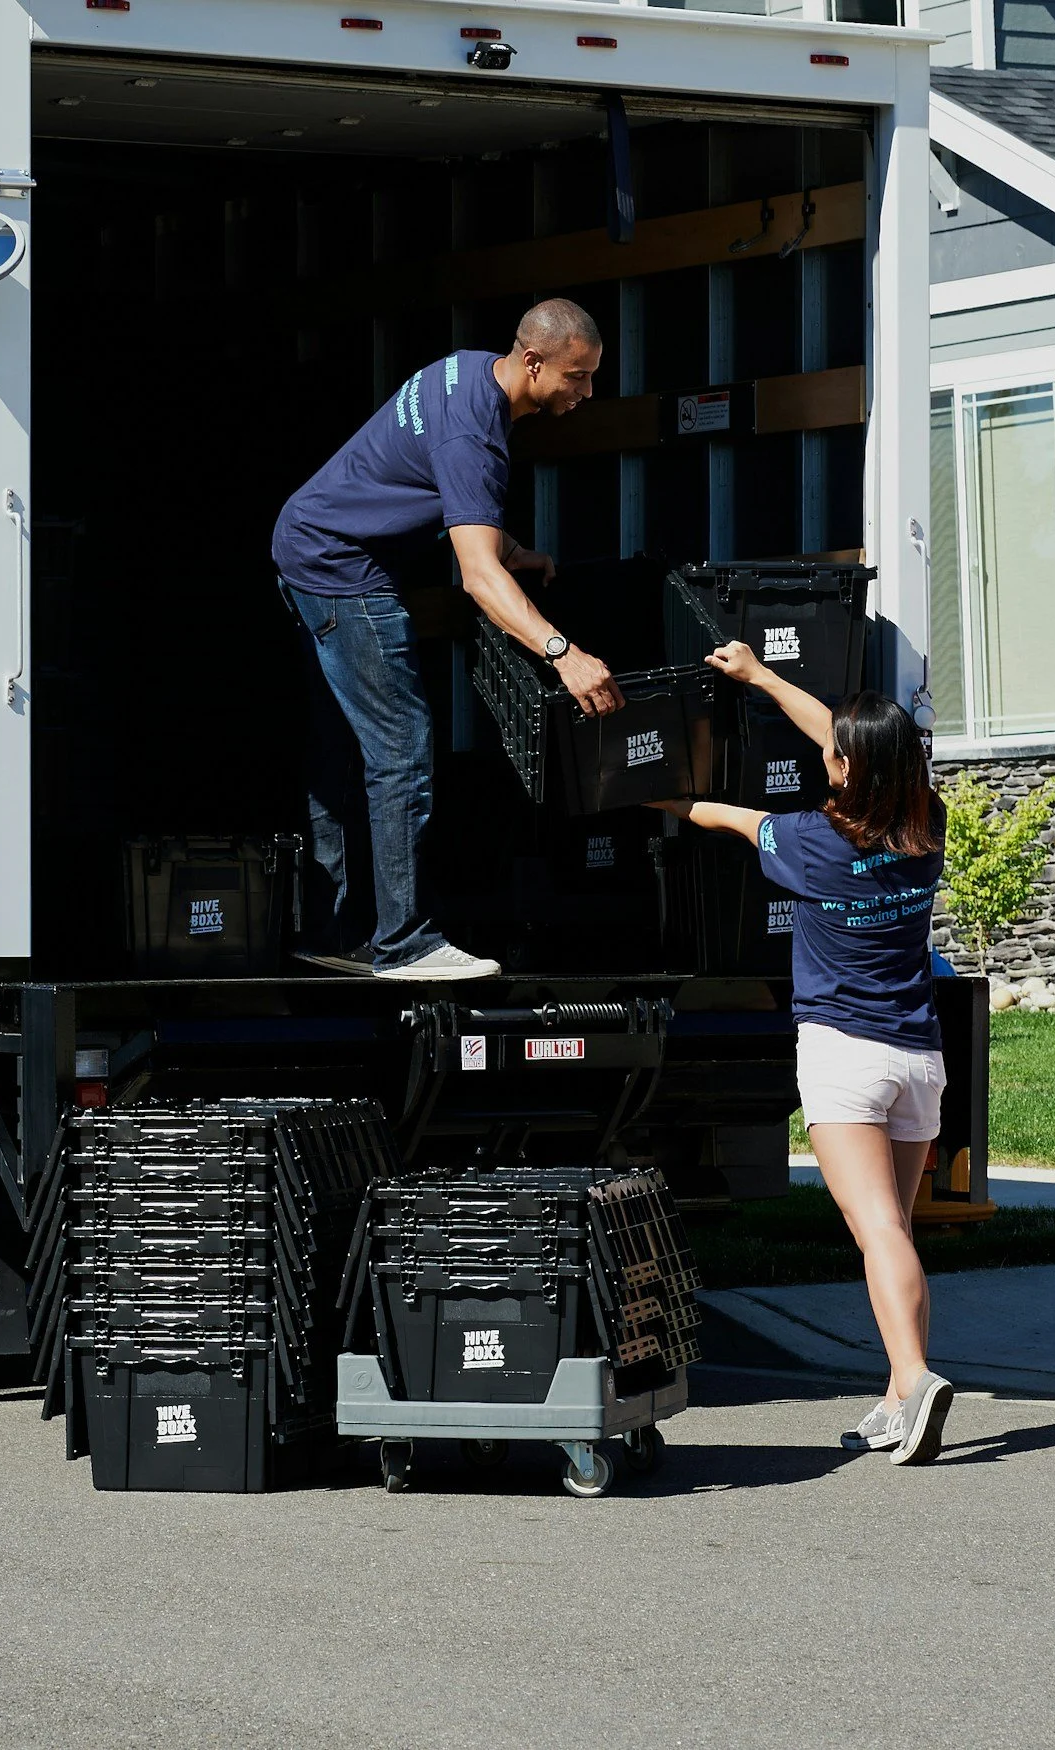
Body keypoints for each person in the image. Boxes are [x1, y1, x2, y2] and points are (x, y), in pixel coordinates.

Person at [654, 644, 954, 1465]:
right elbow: (852, 743)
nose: (825, 754)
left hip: (845, 1058)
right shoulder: (927, 822)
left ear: (847, 768)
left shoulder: (811, 842)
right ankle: (898, 1402)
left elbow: (731, 817)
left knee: (879, 1230)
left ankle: (917, 1376)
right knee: (891, 1233)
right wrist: (761, 677)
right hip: (918, 1060)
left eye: (834, 754)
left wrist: (671, 799)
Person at [271, 300, 624, 981]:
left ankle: (335, 933)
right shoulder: (476, 438)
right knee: (401, 748)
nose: (586, 392)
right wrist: (565, 655)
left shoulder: (463, 372)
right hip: (339, 568)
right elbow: (478, 581)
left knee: (342, 745)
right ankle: (404, 944)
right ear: (532, 363)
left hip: (306, 543)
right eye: (576, 377)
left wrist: (508, 544)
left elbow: (427, 480)